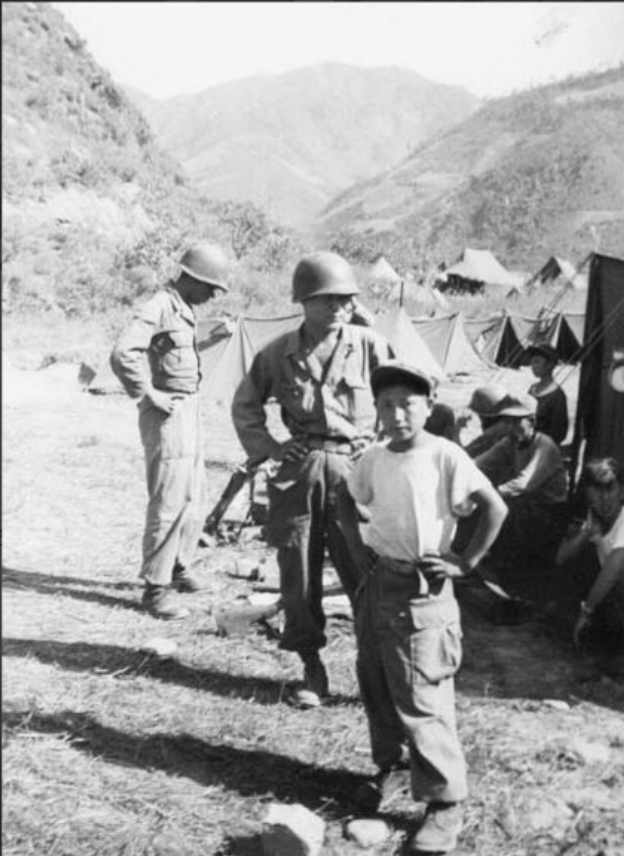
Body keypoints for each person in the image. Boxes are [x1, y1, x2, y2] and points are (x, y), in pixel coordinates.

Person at [336, 360, 507, 855]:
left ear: (428, 407)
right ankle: (387, 768)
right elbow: (347, 501)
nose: (396, 414)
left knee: (422, 694)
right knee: (377, 682)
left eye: (407, 403)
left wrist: (465, 562)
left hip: (423, 591)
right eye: (385, 405)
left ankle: (444, 803)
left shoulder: (445, 455)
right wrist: (357, 548)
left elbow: (495, 507)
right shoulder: (372, 458)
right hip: (379, 585)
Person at [231, 250, 393, 708]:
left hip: (356, 472)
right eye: (328, 298)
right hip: (301, 473)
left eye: (346, 298)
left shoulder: (370, 345)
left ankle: (376, 669)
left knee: (365, 572)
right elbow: (245, 406)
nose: (339, 306)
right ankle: (311, 667)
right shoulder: (278, 353)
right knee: (298, 576)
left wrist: (380, 445)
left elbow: (413, 394)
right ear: (303, 301)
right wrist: (273, 447)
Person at [110, 242, 231, 620]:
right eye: (211, 287)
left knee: (193, 495)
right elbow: (122, 353)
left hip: (188, 410)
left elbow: (175, 351)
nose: (213, 295)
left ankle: (178, 566)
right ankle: (155, 588)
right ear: (191, 278)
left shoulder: (184, 310)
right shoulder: (158, 306)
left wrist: (213, 337)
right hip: (167, 414)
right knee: (168, 500)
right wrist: (147, 394)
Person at [475, 393, 568, 585]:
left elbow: (522, 485)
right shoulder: (512, 441)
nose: (511, 428)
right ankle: (488, 555)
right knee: (495, 498)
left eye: (517, 422)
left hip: (550, 511)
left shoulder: (544, 446)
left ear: (532, 421)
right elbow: (482, 463)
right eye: (508, 422)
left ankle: (502, 568)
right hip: (529, 504)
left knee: (507, 506)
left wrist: (488, 495)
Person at [556, 458, 624, 656]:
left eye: (610, 490)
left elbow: (613, 569)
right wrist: (586, 533)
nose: (604, 500)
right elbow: (561, 558)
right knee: (581, 556)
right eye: (596, 496)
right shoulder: (593, 517)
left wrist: (586, 612)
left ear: (622, 491)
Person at [526, 342, 569, 445]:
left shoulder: (557, 396)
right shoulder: (533, 389)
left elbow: (559, 432)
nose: (533, 366)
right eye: (532, 362)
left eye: (537, 362)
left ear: (550, 365)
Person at [461, 383, 510, 457]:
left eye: (480, 415)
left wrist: (456, 430)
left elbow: (461, 456)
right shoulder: (512, 425)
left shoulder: (492, 435)